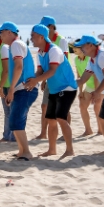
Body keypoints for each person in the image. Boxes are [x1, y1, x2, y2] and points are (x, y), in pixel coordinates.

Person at [26, 25, 77, 158]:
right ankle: (52, 149)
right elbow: (41, 71)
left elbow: (52, 70)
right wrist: (33, 79)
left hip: (67, 87)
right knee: (51, 120)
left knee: (61, 118)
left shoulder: (54, 50)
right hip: (54, 88)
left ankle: (70, 149)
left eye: (33, 36)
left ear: (41, 37)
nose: (31, 39)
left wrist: (36, 80)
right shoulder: (40, 52)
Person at [0, 22, 39, 161]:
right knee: (16, 120)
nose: (0, 36)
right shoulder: (14, 46)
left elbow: (18, 67)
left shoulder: (16, 45)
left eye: (2, 33)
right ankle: (22, 151)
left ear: (10, 32)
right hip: (23, 88)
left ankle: (26, 152)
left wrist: (11, 89)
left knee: (15, 120)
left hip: (25, 88)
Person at [35, 17, 70, 141]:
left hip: (62, 79)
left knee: (63, 107)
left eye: (45, 26)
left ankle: (65, 134)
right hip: (50, 77)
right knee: (45, 106)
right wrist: (44, 79)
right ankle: (43, 133)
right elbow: (44, 64)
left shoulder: (61, 40)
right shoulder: (43, 42)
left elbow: (64, 61)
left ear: (51, 27)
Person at [75, 45, 102, 137]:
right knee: (82, 106)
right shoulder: (76, 60)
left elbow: (95, 77)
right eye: (73, 47)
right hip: (89, 87)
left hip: (99, 86)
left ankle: (101, 130)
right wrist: (81, 91)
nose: (74, 49)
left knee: (97, 108)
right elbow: (79, 76)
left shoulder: (90, 59)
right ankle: (88, 130)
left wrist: (97, 92)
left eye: (76, 47)